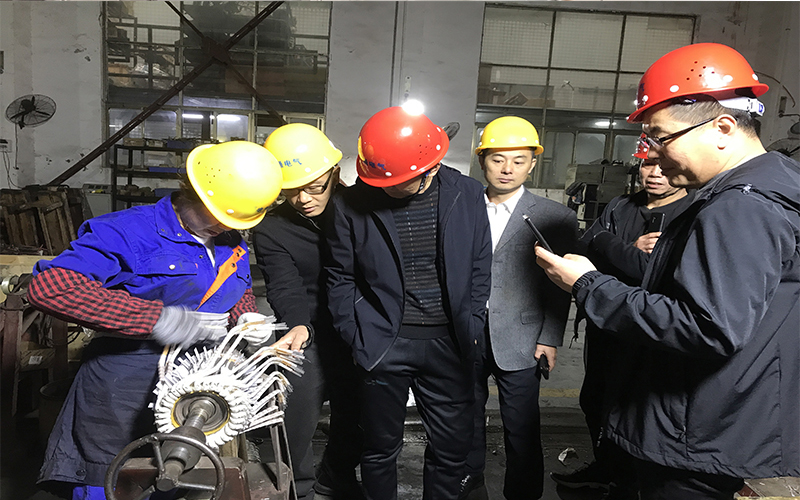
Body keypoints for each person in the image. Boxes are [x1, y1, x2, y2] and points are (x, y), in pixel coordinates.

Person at [535, 42, 800, 500]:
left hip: (700, 438)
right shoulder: (771, 186)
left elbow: (707, 326)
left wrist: (588, 285)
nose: (655, 154)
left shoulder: (740, 207)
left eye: (661, 138)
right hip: (730, 424)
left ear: (721, 128)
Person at [28, 141, 285, 500]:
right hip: (124, 385)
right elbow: (51, 287)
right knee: (112, 481)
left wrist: (245, 316)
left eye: (233, 219)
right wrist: (157, 319)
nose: (224, 225)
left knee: (181, 479)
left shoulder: (229, 238)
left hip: (197, 384)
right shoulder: (128, 231)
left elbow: (233, 284)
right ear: (193, 190)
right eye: (217, 214)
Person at [326, 105, 492, 500]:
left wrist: (471, 323)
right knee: (379, 449)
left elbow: (480, 264)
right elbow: (339, 276)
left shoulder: (467, 194)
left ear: (429, 169)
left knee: (451, 452)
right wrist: (358, 336)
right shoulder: (349, 204)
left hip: (450, 344)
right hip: (384, 343)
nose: (384, 188)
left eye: (395, 182)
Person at [552, 137, 695, 499]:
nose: (655, 173)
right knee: (595, 400)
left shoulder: (691, 212)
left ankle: (630, 482)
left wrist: (605, 242)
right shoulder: (621, 205)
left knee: (636, 408)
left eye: (662, 165)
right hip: (605, 323)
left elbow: (646, 272)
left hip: (648, 330)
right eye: (647, 164)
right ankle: (605, 468)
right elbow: (582, 250)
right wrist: (624, 249)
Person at [460, 116, 577, 500]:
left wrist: (549, 338)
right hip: (467, 332)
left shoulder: (554, 216)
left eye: (518, 160)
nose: (507, 168)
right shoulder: (461, 208)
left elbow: (559, 286)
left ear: (532, 164)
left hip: (522, 336)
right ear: (482, 161)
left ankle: (524, 492)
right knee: (467, 416)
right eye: (497, 159)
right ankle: (469, 482)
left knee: (522, 425)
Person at [251, 123, 363, 500]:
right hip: (312, 327)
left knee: (362, 414)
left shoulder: (363, 210)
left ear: (335, 173)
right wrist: (298, 326)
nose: (303, 199)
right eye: (291, 190)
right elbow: (285, 285)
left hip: (363, 326)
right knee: (296, 405)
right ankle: (296, 486)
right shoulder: (272, 229)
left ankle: (337, 476)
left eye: (315, 187)